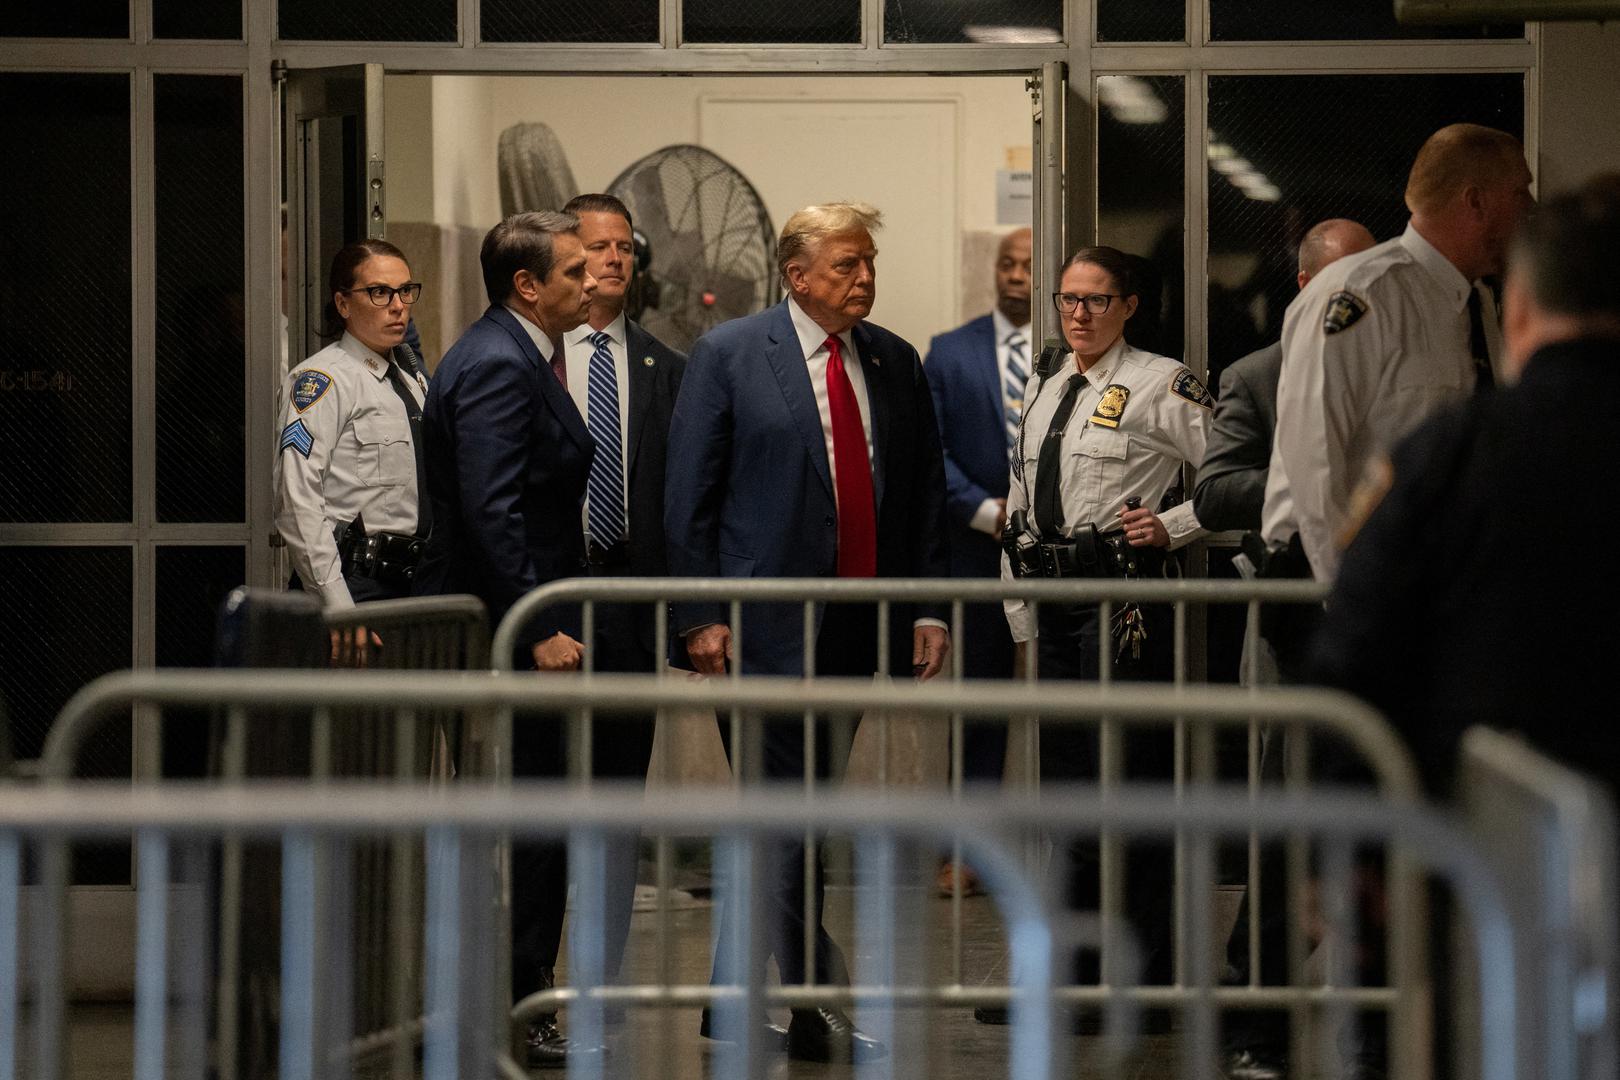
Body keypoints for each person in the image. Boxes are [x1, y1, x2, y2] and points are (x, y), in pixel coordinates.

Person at [664, 201, 951, 1064]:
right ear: (797, 275)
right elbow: (690, 497)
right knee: (784, 816)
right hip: (763, 629)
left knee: (791, 818)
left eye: (869, 263)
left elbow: (922, 494)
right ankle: (821, 994)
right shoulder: (729, 354)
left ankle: (731, 1001)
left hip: (857, 626)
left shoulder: (893, 360)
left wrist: (927, 605)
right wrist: (700, 614)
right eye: (846, 266)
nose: (864, 279)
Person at [1313, 176, 1620, 797]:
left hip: (1500, 824)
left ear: (1520, 307)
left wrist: (1358, 849)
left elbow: (1360, 645)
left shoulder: (1452, 451)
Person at [993, 245, 1209, 1023]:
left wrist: (1175, 523)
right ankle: (1070, 978)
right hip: (1054, 600)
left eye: (1097, 300)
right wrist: (1019, 612)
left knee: (1129, 786)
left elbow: (1233, 471)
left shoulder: (1159, 382)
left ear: (1129, 306)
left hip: (1124, 600)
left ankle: (1146, 980)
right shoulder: (1048, 384)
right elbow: (1019, 497)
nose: (1078, 314)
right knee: (1067, 795)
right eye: (1068, 299)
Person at [411, 210, 600, 1069]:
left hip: (523, 619)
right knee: (533, 814)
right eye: (572, 272)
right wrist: (539, 628)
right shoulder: (496, 362)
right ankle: (524, 998)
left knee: (540, 812)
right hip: (510, 627)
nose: (590, 282)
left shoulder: (520, 352)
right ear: (526, 285)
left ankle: (525, 991)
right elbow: (493, 509)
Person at [1196, 219, 1375, 1080]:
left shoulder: (1393, 362)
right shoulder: (1257, 376)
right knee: (1288, 808)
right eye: (1342, 286)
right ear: (1305, 289)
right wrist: (1308, 474)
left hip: (1382, 613)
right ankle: (1257, 1012)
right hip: (1295, 620)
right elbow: (1215, 485)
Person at [1261, 124, 1533, 586]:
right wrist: (1345, 603)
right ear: (1476, 201)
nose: (1531, 210)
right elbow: (1315, 461)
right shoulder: (1359, 294)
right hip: (1340, 586)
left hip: (1426, 585)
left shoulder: (1478, 303)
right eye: (1521, 192)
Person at [550, 190, 685, 1004]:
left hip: (629, 609)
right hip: (545, 606)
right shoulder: (528, 357)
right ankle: (528, 976)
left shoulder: (664, 368)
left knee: (613, 800)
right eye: (598, 247)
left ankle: (598, 979)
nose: (614, 260)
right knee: (539, 800)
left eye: (625, 249)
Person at [922, 225, 1030, 894]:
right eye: (1008, 264)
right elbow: (930, 455)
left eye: (1028, 265)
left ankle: (1066, 850)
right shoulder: (949, 353)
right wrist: (989, 515)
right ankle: (966, 852)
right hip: (980, 549)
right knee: (983, 706)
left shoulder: (1067, 349)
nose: (1017, 275)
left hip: (1062, 554)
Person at [273, 238, 431, 611]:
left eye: (405, 292)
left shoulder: (413, 379)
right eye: (379, 292)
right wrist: (336, 605)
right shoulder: (321, 380)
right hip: (356, 583)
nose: (397, 307)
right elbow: (297, 501)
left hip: (412, 583)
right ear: (343, 303)